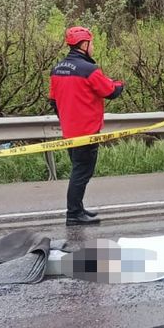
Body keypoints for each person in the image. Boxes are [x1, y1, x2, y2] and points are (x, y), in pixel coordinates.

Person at [49, 27, 123, 226]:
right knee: (82, 173)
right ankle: (74, 214)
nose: (94, 47)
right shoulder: (89, 69)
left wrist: (66, 119)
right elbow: (110, 92)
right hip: (87, 132)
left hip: (69, 131)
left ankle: (78, 208)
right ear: (84, 45)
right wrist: (119, 84)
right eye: (92, 43)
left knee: (78, 170)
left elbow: (53, 101)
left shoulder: (57, 69)